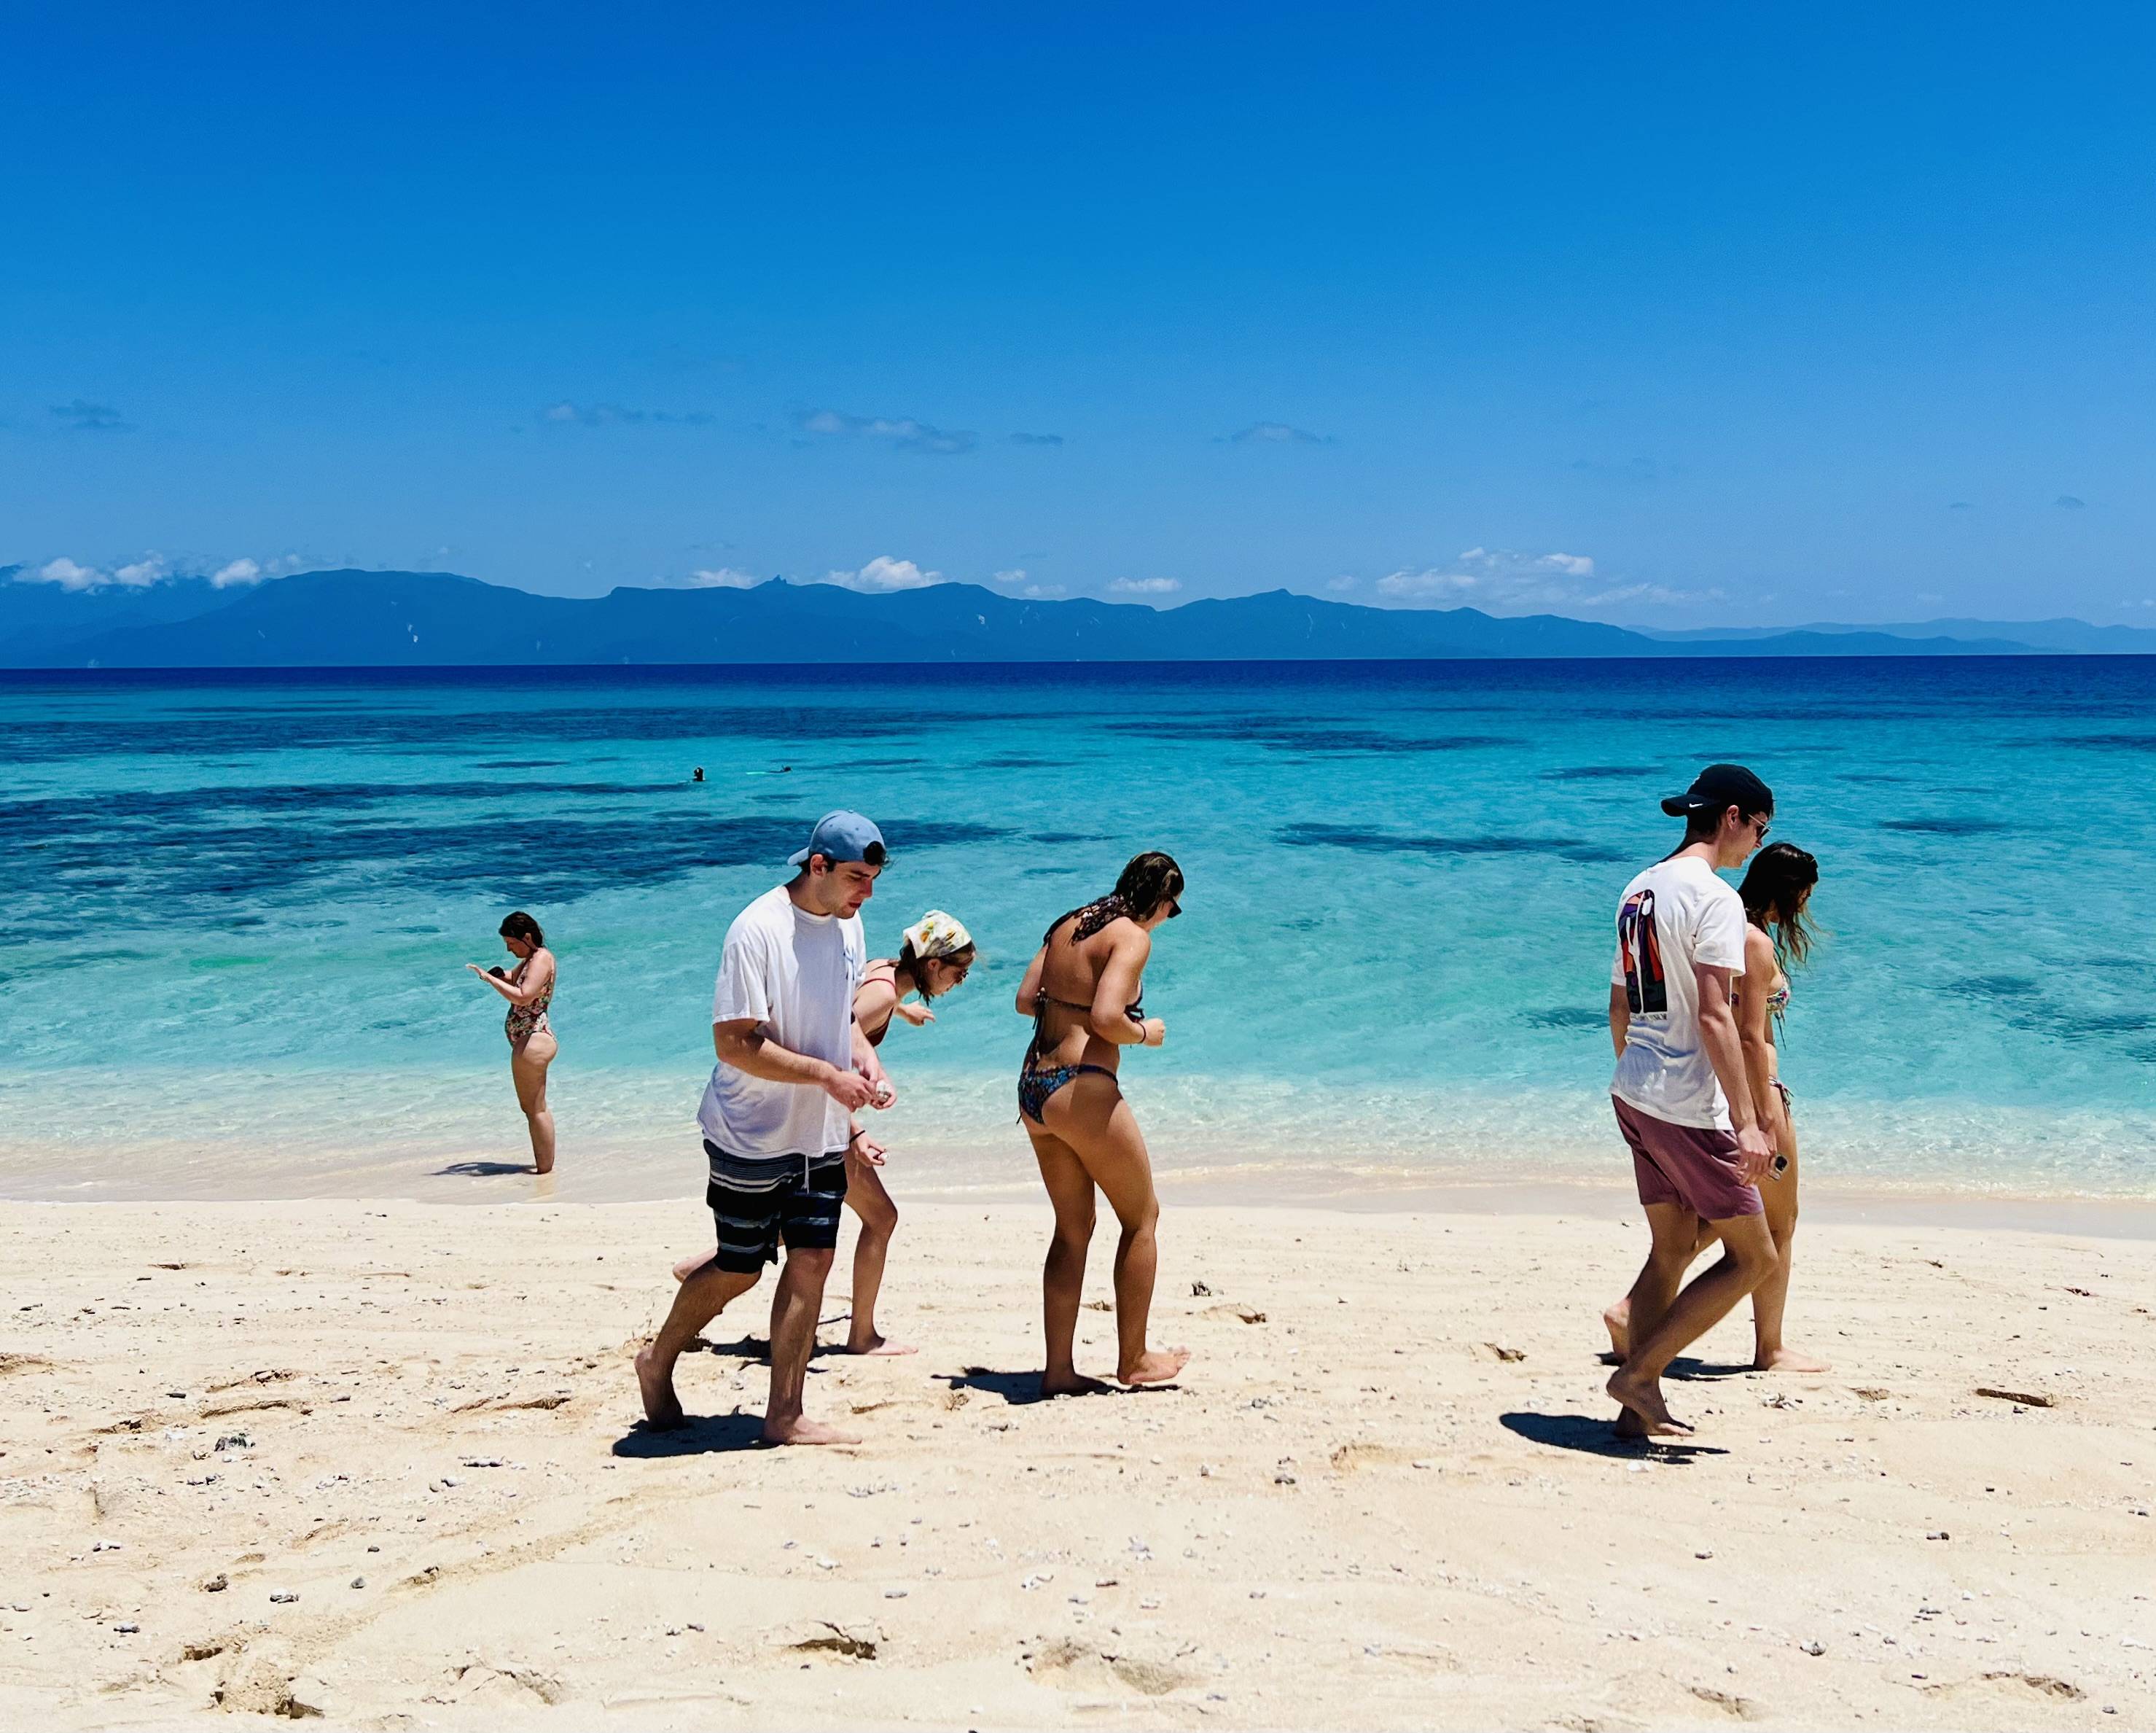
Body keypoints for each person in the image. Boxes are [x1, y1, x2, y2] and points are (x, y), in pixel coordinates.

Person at [635, 811, 894, 1446]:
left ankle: (784, 1412)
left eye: (874, 879)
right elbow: (736, 1044)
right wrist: (827, 1077)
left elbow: (838, 1013)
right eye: (858, 877)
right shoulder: (757, 930)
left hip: (821, 1135)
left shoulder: (850, 925)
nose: (868, 892)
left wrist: (863, 1055)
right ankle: (657, 1358)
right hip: (750, 1130)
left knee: (813, 1260)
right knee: (738, 1266)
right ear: (817, 868)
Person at [1603, 766, 1781, 1438]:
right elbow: (1716, 1016)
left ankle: (1632, 1416)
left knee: (1673, 1248)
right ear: (1733, 816)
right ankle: (1640, 1375)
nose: (1757, 845)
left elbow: (1620, 1003)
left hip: (1636, 1089)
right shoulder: (1714, 898)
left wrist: (1634, 1073)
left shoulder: (1637, 888)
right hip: (1684, 1099)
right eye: (1760, 830)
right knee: (1754, 1257)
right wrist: (1748, 1120)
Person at [1603, 841, 1826, 1373]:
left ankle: (1631, 1310)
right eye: (1806, 897)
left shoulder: (1725, 931)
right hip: (1757, 1089)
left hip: (1693, 1090)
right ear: (1791, 892)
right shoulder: (1754, 944)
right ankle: (1769, 1348)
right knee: (1778, 1223)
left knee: (1709, 1220)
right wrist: (1762, 1116)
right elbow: (1749, 1036)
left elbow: (1623, 1007)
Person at [1015, 852, 1191, 1395]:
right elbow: (1106, 1019)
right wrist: (1145, 1032)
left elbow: (1026, 1001)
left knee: (1073, 1228)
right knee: (1142, 1217)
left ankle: (1059, 1369)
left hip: (1034, 1087)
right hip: (1082, 1088)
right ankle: (1134, 1358)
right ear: (1160, 900)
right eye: (1173, 907)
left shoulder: (1067, 923)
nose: (1170, 916)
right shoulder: (1131, 938)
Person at [840, 911, 977, 1355]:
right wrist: (855, 1132)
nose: (961, 981)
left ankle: (703, 1271)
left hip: (812, 1115)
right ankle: (862, 1335)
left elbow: (853, 1006)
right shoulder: (881, 997)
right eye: (958, 972)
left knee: (787, 1222)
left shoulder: (883, 972)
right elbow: (830, 1042)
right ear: (933, 965)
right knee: (881, 1218)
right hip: (823, 1118)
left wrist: (903, 1010)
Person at [464, 911, 558, 1175]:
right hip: (529, 1040)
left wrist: (489, 979)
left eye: (511, 943)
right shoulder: (532, 959)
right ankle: (544, 1169)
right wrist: (499, 974)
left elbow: (524, 996)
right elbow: (516, 979)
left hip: (535, 1039)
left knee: (536, 1109)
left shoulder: (541, 958)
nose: (508, 948)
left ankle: (545, 1171)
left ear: (526, 937)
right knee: (532, 1108)